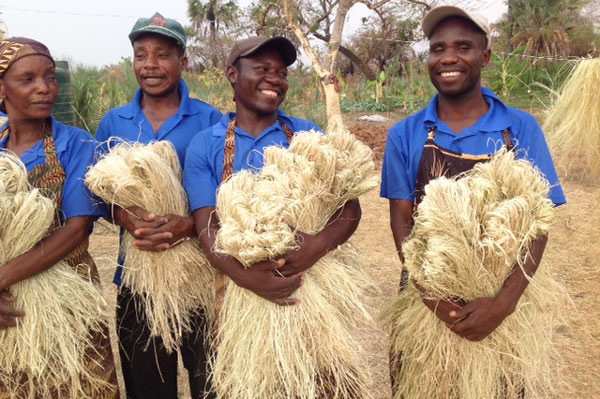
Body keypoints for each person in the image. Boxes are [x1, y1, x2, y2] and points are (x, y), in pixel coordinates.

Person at [381, 5, 566, 395]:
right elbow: (402, 221)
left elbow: (539, 221)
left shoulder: (520, 128)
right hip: (426, 297)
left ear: (485, 57)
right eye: (437, 48)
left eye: (463, 47)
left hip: (505, 298)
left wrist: (505, 303)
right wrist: (432, 297)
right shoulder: (405, 133)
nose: (448, 58)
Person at [95, 12, 221, 399]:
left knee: (212, 380)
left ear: (182, 62)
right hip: (138, 277)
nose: (150, 65)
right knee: (148, 386)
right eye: (140, 54)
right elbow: (98, 194)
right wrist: (126, 218)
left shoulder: (210, 119)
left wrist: (188, 225)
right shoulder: (113, 122)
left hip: (199, 275)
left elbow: (227, 189)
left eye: (162, 54)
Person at [0, 37, 119, 398]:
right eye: (28, 80)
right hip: (8, 304)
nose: (44, 88)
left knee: (82, 384)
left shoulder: (76, 144)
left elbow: (77, 228)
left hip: (68, 295)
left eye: (50, 77)